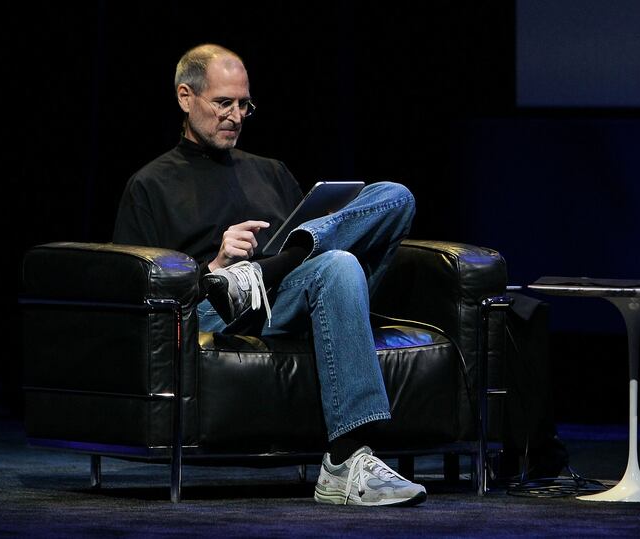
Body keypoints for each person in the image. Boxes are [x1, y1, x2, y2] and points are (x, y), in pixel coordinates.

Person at [112, 43, 425, 507]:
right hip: (214, 308)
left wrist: (270, 266)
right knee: (338, 264)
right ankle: (346, 461)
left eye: (244, 105)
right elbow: (134, 291)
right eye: (223, 103)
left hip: (287, 296)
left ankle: (262, 271)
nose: (236, 116)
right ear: (185, 97)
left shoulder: (271, 171)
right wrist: (215, 266)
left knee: (395, 196)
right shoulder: (150, 185)